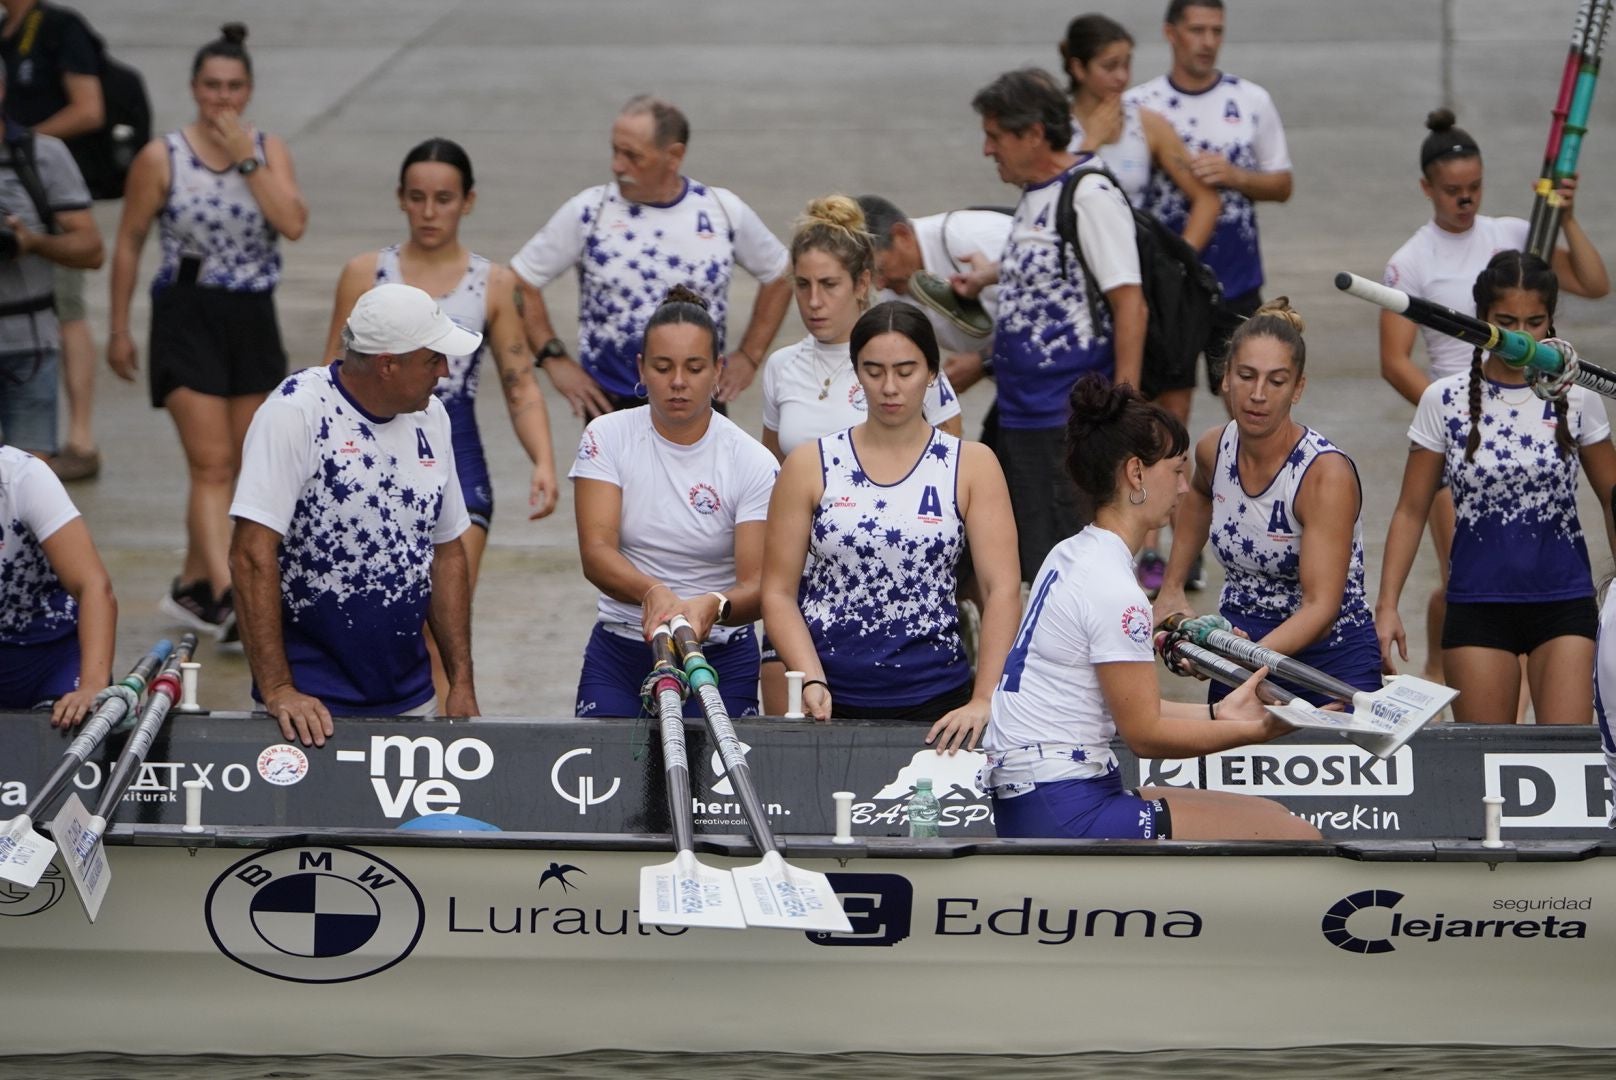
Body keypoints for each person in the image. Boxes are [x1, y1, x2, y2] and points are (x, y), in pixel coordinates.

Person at [981, 374, 1317, 840]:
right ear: (1137, 473)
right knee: (1298, 835)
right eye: (1177, 471)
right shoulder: (1115, 589)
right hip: (1064, 805)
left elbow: (1137, 708)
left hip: (1047, 794)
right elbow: (1145, 735)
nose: (1184, 489)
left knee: (1277, 820)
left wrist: (1222, 716)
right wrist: (1256, 731)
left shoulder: (1071, 552)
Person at [321, 138, 559, 698]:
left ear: (467, 202)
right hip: (370, 460)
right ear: (401, 199)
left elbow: (518, 380)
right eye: (418, 198)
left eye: (444, 199)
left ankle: (445, 735)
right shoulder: (364, 274)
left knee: (441, 620)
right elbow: (330, 373)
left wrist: (544, 460)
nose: (430, 213)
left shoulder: (493, 284)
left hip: (456, 461)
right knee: (386, 616)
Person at [1380, 109, 1607, 679]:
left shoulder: (1511, 234)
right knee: (1466, 573)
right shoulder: (1411, 261)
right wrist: (1449, 416)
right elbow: (1392, 361)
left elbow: (1595, 283)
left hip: (1538, 404)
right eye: (1453, 190)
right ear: (1427, 188)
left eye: (1474, 187)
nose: (1466, 199)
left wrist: (1569, 218)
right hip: (1468, 419)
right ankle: (1443, 666)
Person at [108, 23, 307, 643]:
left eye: (234, 87)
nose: (222, 98)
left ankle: (194, 584)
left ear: (248, 90)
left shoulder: (268, 150)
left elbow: (293, 222)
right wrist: (119, 327)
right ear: (194, 88)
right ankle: (228, 595)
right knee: (211, 463)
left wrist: (247, 157)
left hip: (251, 314)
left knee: (249, 461)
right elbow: (131, 241)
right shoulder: (161, 156)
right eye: (212, 86)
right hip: (187, 311)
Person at [229, 283, 480, 748]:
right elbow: (249, 555)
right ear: (388, 365)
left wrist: (460, 683)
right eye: (432, 359)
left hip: (413, 699)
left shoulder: (434, 417)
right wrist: (278, 690)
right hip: (309, 710)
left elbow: (447, 553)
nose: (445, 371)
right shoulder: (294, 414)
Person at [761, 301, 1019, 742]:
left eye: (906, 370)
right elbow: (778, 591)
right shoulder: (810, 464)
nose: (890, 387)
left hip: (938, 699)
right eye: (874, 370)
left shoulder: (972, 465)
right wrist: (810, 676)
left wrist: (984, 699)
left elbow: (1002, 590)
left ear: (933, 372)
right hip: (827, 697)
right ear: (856, 372)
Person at [1377, 251, 1616, 725]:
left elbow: (1614, 500)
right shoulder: (1441, 401)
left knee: (1565, 766)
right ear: (1481, 319)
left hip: (1563, 604)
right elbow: (1410, 509)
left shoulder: (1580, 396)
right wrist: (1386, 606)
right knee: (1485, 774)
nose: (1521, 337)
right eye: (1506, 322)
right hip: (1476, 606)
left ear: (1551, 320)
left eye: (1534, 321)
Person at [964, 67, 1144, 584]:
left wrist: (1122, 408)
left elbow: (1131, 303)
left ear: (1034, 135)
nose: (987, 149)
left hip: (1063, 421)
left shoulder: (1087, 195)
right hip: (1021, 419)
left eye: (995, 136)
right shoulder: (1034, 193)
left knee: (1075, 569)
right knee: (1032, 566)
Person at [1152, 299, 1380, 705]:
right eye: (1246, 376)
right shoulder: (1212, 449)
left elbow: (1320, 608)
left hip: (1329, 661)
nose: (1258, 394)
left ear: (1298, 389)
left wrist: (1240, 666)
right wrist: (1171, 588)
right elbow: (1200, 497)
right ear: (1225, 378)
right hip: (1241, 654)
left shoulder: (1324, 476)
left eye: (1276, 381)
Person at [512, 95, 791, 418]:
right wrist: (553, 359)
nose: (618, 166)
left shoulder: (721, 210)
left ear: (673, 156)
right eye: (615, 151)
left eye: (632, 156)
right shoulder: (589, 211)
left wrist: (750, 355)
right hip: (611, 402)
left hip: (700, 404)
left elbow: (781, 273)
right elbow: (518, 281)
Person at [569, 286, 776, 718]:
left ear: (718, 371)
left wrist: (714, 605)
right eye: (663, 367)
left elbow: (759, 584)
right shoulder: (606, 436)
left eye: (695, 367)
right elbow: (596, 552)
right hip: (622, 649)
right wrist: (652, 592)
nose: (678, 382)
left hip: (718, 654)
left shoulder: (752, 460)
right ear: (641, 370)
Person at [1129, 0, 1294, 391]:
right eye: (1197, 30)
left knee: (1246, 398)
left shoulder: (1251, 100)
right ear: (1171, 33)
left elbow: (1283, 184)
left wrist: (1236, 176)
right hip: (1169, 289)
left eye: (1216, 31)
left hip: (1236, 281)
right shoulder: (1139, 105)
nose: (1207, 42)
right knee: (1169, 408)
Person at [761, 195, 962, 461]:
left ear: (862, 284)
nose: (814, 301)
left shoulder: (908, 357)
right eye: (802, 285)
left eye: (829, 284)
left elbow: (952, 463)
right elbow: (774, 476)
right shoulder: (780, 366)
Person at [0, 0, 105, 481]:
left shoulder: (60, 27)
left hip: (28, 339)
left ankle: (80, 431)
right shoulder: (9, 27)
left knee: (27, 496)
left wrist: (33, 240)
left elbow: (90, 109)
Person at [857, 193, 1009, 421]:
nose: (878, 285)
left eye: (880, 268)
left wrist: (985, 361)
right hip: (1016, 386)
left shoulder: (971, 236)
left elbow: (1063, 305)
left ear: (902, 235)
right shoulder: (891, 291)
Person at [0, 442, 115, 726]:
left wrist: (92, 686)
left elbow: (93, 586)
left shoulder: (24, 476)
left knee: (62, 741)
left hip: (51, 656)